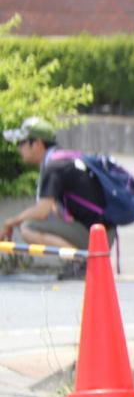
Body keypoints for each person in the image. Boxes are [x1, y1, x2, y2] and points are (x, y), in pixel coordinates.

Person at [1, 118, 116, 277]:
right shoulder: (64, 159)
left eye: (22, 143)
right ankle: (82, 261)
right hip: (103, 233)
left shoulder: (54, 167)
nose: (19, 148)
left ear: (37, 144)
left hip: (95, 236)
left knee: (28, 228)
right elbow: (54, 209)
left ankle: (82, 263)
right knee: (44, 218)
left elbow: (41, 211)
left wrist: (10, 222)